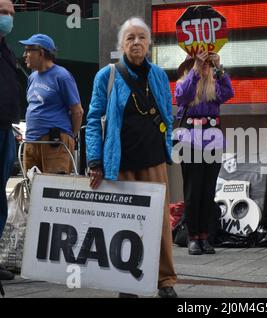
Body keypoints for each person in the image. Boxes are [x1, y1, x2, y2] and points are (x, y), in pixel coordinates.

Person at [85, 17, 177, 298]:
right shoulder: (107, 75)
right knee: (125, 225)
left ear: (149, 43)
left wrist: (167, 143)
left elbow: (167, 113)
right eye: (130, 38)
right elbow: (92, 120)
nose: (136, 42)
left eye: (141, 37)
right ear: (122, 44)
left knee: (160, 223)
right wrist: (95, 161)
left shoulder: (159, 75)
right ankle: (128, 282)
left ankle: (166, 281)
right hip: (119, 163)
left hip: (154, 160)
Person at [175, 49, 234, 255]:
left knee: (208, 191)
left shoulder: (215, 87)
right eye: (200, 63)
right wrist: (196, 70)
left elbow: (229, 92)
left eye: (206, 64)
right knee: (193, 191)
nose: (204, 67)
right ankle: (192, 237)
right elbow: (183, 97)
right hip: (190, 140)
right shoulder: (184, 84)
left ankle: (204, 237)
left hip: (213, 139)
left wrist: (219, 67)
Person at [18, 34, 83, 174]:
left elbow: (77, 111)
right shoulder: (32, 77)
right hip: (30, 141)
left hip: (54, 143)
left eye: (28, 50)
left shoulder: (62, 76)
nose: (24, 55)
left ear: (41, 53)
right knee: (30, 188)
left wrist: (70, 136)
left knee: (53, 190)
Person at [0, 0, 17, 283]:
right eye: (3, 13)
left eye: (12, 14)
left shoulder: (7, 51)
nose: (9, 18)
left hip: (6, 130)